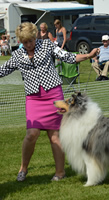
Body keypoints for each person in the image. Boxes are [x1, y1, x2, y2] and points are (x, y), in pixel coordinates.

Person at [0, 22, 99, 182]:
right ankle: (23, 168)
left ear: (35, 36)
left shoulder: (47, 45)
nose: (29, 44)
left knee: (54, 136)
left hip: (53, 95)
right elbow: (3, 70)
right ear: (20, 41)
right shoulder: (18, 55)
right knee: (32, 134)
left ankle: (60, 172)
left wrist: (88, 56)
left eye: (31, 40)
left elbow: (68, 56)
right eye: (25, 42)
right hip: (33, 98)